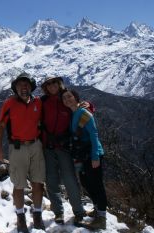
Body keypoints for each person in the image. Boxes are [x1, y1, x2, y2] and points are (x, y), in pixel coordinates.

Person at [0, 72, 45, 233]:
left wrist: (85, 106)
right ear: (15, 88)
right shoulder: (9, 103)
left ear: (31, 87)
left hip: (36, 146)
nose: (23, 88)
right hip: (17, 148)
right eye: (20, 85)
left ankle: (37, 214)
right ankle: (20, 216)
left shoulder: (38, 102)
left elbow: (55, 107)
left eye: (26, 85)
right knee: (19, 185)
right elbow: (1, 126)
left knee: (38, 182)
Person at [40, 77, 85, 226]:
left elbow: (82, 109)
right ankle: (58, 212)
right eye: (49, 84)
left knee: (69, 180)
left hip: (64, 147)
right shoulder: (43, 101)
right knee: (51, 180)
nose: (52, 86)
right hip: (48, 146)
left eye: (54, 83)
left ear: (59, 84)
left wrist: (89, 106)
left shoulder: (66, 98)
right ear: (46, 87)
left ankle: (78, 212)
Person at [61, 89, 108, 230]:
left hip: (93, 154)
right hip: (83, 155)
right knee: (86, 183)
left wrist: (95, 157)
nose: (67, 99)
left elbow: (94, 135)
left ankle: (102, 218)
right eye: (64, 98)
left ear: (76, 98)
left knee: (96, 184)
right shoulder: (74, 113)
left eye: (69, 96)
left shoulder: (84, 113)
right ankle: (97, 208)